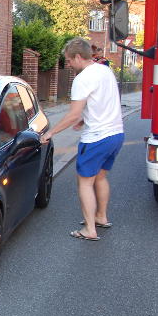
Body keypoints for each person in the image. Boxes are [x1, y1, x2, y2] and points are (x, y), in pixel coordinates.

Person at [41, 37, 124, 241]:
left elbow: (72, 115)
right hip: (116, 134)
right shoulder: (105, 70)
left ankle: (89, 229)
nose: (68, 65)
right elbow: (102, 103)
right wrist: (85, 120)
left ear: (78, 57)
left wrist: (51, 133)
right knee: (101, 177)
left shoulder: (82, 79)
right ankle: (101, 217)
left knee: (85, 183)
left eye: (69, 61)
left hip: (96, 139)